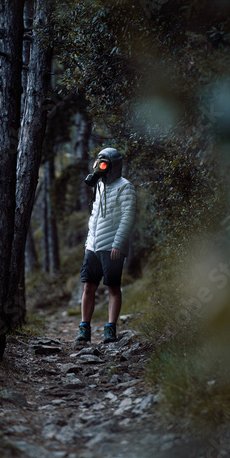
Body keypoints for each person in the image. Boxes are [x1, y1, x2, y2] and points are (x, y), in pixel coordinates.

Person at [75, 147, 137, 344]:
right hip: (93, 246)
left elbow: (128, 218)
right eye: (99, 162)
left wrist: (118, 243)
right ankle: (84, 329)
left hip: (112, 246)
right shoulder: (99, 185)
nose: (101, 166)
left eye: (105, 163)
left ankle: (110, 329)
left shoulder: (125, 187)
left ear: (114, 165)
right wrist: (88, 242)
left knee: (113, 287)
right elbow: (94, 217)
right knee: (88, 287)